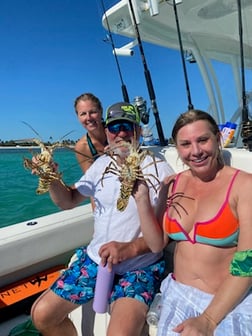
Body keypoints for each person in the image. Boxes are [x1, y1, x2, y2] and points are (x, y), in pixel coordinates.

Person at [31, 102, 174, 336]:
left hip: (139, 267)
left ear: (137, 130)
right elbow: (67, 201)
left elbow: (164, 236)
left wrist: (129, 249)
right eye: (114, 127)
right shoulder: (101, 164)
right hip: (96, 260)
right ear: (106, 131)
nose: (121, 133)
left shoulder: (160, 171)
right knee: (42, 315)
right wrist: (51, 178)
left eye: (127, 126)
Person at [134, 109, 252, 335]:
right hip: (177, 295)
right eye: (185, 144)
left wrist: (208, 319)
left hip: (226, 304)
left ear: (218, 139)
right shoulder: (173, 185)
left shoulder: (245, 186)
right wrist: (142, 199)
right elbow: (157, 244)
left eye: (203, 140)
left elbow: (248, 265)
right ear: (177, 148)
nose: (196, 151)